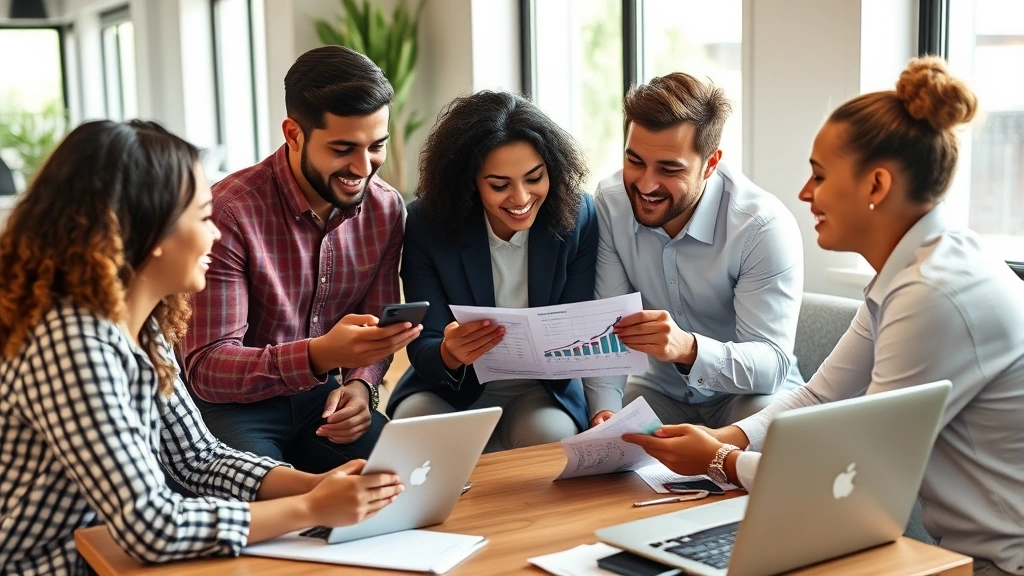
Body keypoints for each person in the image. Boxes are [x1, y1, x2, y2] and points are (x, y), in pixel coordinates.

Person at [624, 57, 1024, 576]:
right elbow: (819, 396)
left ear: (876, 186)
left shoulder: (935, 295)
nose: (805, 193)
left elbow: (859, 481)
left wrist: (720, 462)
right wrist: (726, 440)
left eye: (819, 175)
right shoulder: (912, 271)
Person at [0, 120, 403, 575]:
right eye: (202, 217)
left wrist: (313, 486)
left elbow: (197, 459)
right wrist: (311, 509)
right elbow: (151, 525)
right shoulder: (72, 344)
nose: (215, 234)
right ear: (147, 230)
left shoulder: (144, 327)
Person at [180, 46, 420, 473]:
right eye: (343, 148)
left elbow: (377, 329)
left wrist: (361, 388)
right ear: (293, 134)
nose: (363, 167)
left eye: (376, 146)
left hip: (321, 402)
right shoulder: (229, 212)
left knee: (417, 483)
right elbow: (207, 368)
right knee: (270, 518)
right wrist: (319, 355)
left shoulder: (385, 209)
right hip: (229, 408)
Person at [585, 72, 805, 429]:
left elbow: (772, 364)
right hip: (660, 392)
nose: (645, 184)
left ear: (711, 163)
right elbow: (609, 327)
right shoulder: (611, 204)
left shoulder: (761, 227)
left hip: (745, 397)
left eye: (669, 169)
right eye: (635, 161)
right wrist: (603, 410)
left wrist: (688, 349)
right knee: (607, 444)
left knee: (773, 434)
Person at [386, 91, 601, 451]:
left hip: (541, 390)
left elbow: (576, 329)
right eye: (499, 185)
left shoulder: (578, 217)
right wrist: (450, 353)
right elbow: (424, 347)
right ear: (470, 182)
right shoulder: (429, 223)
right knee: (412, 430)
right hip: (451, 389)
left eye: (535, 178)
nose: (520, 198)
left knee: (553, 442)